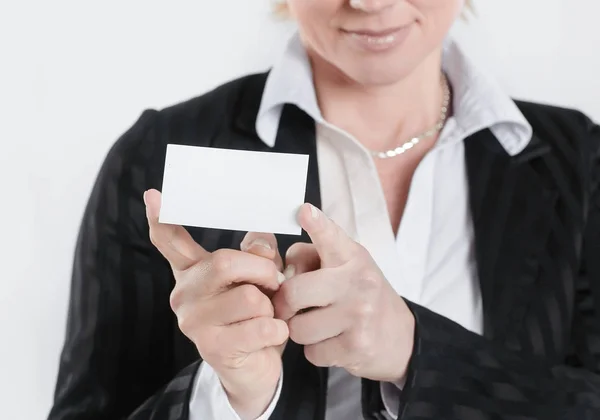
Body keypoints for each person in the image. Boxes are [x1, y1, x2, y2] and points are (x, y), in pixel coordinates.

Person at [48, 0, 600, 419]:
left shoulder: (580, 160)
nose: (368, 0)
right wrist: (228, 394)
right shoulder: (160, 154)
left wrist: (415, 351)